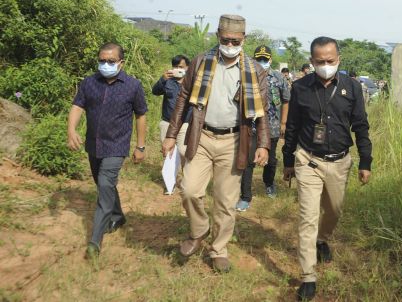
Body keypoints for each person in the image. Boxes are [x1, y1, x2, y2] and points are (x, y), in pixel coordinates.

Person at [161, 14, 270, 273]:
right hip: (202, 137)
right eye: (225, 40)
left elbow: (263, 112)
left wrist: (264, 144)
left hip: (234, 141)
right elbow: (183, 98)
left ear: (244, 38)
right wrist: (170, 134)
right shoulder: (201, 61)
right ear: (218, 35)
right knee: (189, 190)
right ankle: (200, 229)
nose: (230, 45)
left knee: (224, 201)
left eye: (235, 40)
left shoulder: (255, 70)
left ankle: (219, 249)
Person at [282, 36, 372, 300]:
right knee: (307, 217)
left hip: (340, 161)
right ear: (311, 61)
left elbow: (361, 127)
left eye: (330, 61)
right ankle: (308, 276)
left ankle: (323, 239)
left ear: (338, 59)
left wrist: (365, 161)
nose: (325, 65)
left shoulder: (352, 88)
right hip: (308, 159)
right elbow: (293, 128)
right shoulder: (300, 88)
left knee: (334, 210)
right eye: (320, 61)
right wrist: (288, 160)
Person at [66, 42, 148, 262]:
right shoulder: (89, 83)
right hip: (93, 145)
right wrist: (71, 130)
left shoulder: (132, 86)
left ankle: (95, 240)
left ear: (121, 62)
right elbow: (77, 106)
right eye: (102, 60)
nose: (106, 64)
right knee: (104, 184)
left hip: (117, 146)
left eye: (111, 61)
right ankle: (119, 216)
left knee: (104, 186)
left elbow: (141, 115)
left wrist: (140, 146)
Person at [236, 45, 290, 211]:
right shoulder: (246, 76)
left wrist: (283, 123)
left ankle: (269, 183)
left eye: (264, 60)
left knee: (271, 160)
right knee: (248, 161)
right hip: (250, 126)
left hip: (272, 127)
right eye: (258, 59)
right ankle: (245, 196)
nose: (261, 62)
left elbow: (286, 100)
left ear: (270, 60)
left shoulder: (278, 78)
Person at [152, 54, 191, 194]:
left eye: (181, 67)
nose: (177, 69)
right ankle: (170, 184)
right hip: (167, 123)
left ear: (188, 67)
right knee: (168, 154)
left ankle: (188, 183)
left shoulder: (191, 82)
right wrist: (162, 79)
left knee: (184, 152)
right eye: (175, 66)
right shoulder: (168, 81)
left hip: (185, 123)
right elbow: (155, 91)